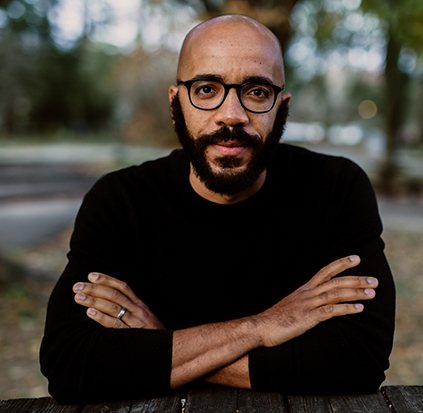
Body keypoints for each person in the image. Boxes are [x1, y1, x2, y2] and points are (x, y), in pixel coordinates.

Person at [40, 14, 395, 404]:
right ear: (176, 102)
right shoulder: (121, 201)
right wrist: (262, 327)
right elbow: (69, 363)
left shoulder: (336, 189)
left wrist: (163, 348)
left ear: (282, 106)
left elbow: (358, 359)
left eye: (257, 91)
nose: (232, 115)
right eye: (207, 89)